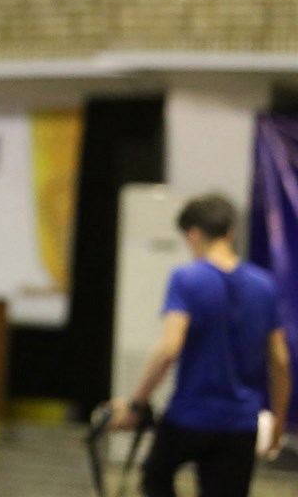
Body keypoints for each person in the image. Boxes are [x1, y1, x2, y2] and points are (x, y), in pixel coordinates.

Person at [111, 193, 291, 497]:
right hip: (240, 423)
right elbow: (281, 361)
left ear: (193, 235)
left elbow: (169, 348)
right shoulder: (264, 285)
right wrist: (279, 422)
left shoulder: (187, 279)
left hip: (189, 416)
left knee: (155, 478)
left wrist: (136, 403)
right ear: (230, 232)